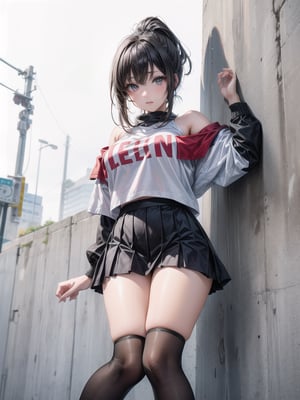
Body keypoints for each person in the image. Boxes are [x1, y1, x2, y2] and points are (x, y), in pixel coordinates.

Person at [56, 16, 262, 400]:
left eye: (155, 79)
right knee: (127, 362)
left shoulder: (187, 124)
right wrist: (88, 274)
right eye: (133, 85)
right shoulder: (118, 136)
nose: (146, 93)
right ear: (125, 91)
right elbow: (107, 211)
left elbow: (242, 157)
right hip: (123, 243)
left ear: (171, 77)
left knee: (159, 358)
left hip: (178, 237)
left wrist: (234, 101)